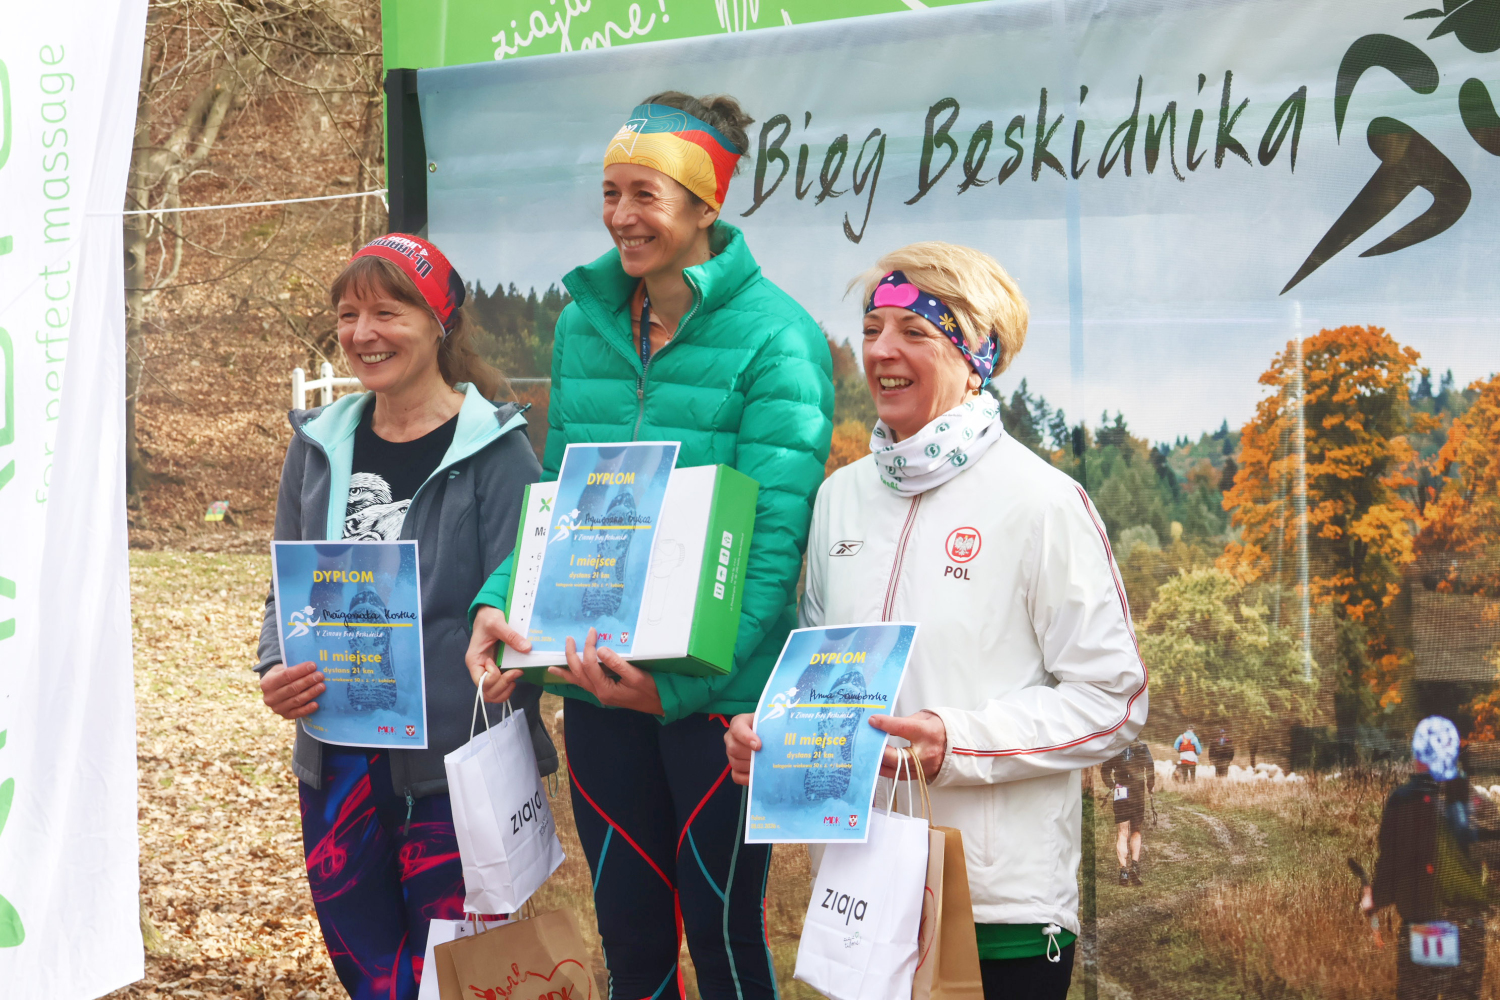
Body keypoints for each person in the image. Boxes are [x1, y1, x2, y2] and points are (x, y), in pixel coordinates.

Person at [464, 92, 834, 1000]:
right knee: (630, 941)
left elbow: (772, 549)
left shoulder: (779, 339)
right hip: (599, 681)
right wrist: (501, 601)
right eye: (610, 192)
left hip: (715, 700)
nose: (622, 216)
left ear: (706, 207)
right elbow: (561, 495)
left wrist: (677, 689)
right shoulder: (584, 323)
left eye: (646, 195)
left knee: (722, 936)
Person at [724, 243, 1148, 1000]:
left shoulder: (1041, 501)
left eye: (913, 332)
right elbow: (824, 678)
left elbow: (1113, 698)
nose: (881, 351)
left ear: (977, 353)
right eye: (871, 328)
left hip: (998, 912)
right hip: (861, 903)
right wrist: (775, 738)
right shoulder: (840, 498)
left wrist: (957, 742)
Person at [254, 234, 555, 1000]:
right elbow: (285, 590)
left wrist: (511, 670)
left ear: (439, 323)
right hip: (338, 764)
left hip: (454, 774)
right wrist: (275, 665)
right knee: (371, 979)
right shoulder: (318, 446)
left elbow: (530, 600)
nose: (363, 334)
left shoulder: (498, 452)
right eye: (348, 315)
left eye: (387, 312)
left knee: (457, 982)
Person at [1362, 716, 1497, 1000]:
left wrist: (1375, 898)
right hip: (1469, 927)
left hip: (1423, 923)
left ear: (1418, 756)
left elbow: (1390, 862)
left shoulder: (1403, 802)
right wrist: (1488, 908)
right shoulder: (1479, 803)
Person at [1103, 740, 1155, 886]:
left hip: (1121, 790)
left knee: (1122, 831)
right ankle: (1135, 866)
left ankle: (1123, 870)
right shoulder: (1142, 747)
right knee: (1136, 830)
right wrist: (1150, 786)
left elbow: (1105, 770)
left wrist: (1112, 785)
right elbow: (1150, 767)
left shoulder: (1115, 745)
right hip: (1137, 791)